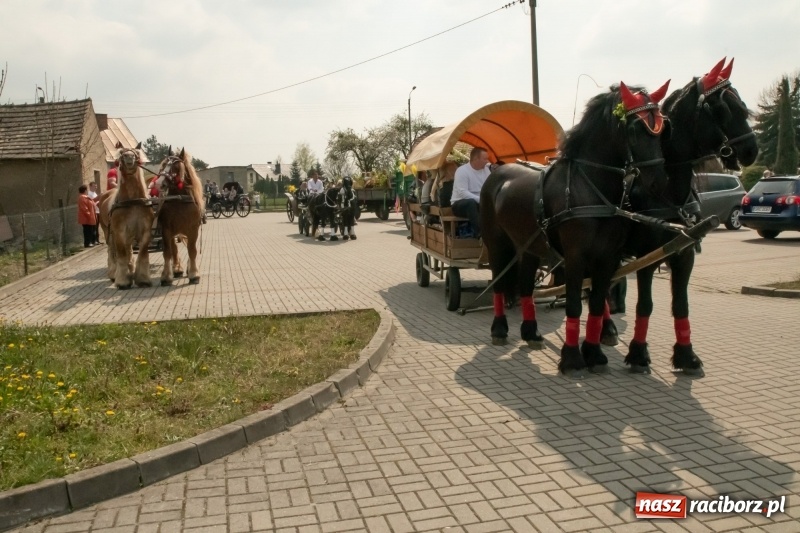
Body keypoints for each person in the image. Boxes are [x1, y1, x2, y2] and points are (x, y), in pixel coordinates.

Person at [450, 147, 491, 238]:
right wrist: (481, 200)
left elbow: (489, 188)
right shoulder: (462, 171)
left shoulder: (486, 171)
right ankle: (481, 234)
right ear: (476, 159)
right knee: (470, 203)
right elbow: (463, 193)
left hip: (479, 203)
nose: (487, 161)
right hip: (460, 204)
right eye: (485, 159)